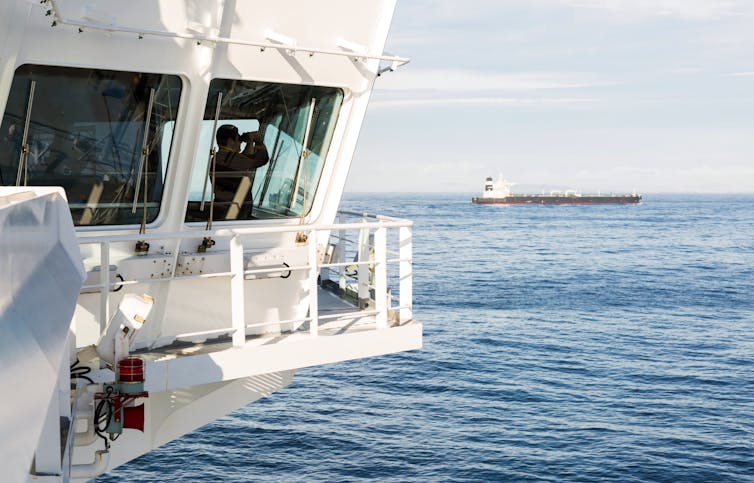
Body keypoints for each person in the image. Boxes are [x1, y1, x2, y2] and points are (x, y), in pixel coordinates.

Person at [212, 123, 270, 220]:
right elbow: (262, 158)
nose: (240, 142)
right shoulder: (229, 158)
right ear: (230, 141)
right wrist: (258, 141)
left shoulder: (219, 158)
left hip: (224, 211)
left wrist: (249, 142)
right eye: (238, 139)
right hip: (232, 214)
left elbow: (243, 161)